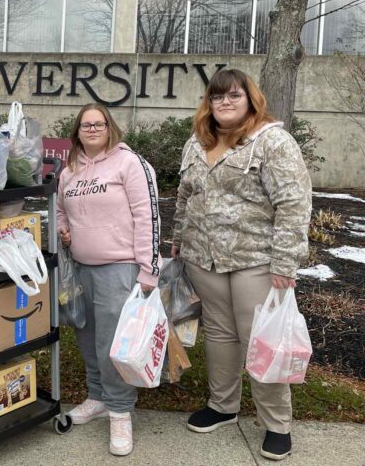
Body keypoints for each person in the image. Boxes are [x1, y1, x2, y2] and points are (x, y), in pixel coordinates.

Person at [171, 68, 312, 461]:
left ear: (250, 99)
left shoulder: (271, 142)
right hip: (204, 259)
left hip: (256, 262)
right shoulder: (196, 143)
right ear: (208, 104)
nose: (225, 103)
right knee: (219, 335)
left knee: (261, 342)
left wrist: (286, 262)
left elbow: (293, 204)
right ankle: (223, 406)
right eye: (217, 97)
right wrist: (178, 241)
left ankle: (277, 424)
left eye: (234, 96)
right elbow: (185, 196)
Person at [56, 103, 161, 457]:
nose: (92, 129)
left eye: (98, 123)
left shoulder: (130, 164)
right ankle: (97, 396)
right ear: (77, 132)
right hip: (82, 266)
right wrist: (63, 228)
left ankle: (120, 411)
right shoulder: (69, 169)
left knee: (114, 344)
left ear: (109, 127)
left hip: (120, 267)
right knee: (87, 336)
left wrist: (149, 269)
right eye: (85, 125)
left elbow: (148, 217)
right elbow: (59, 210)